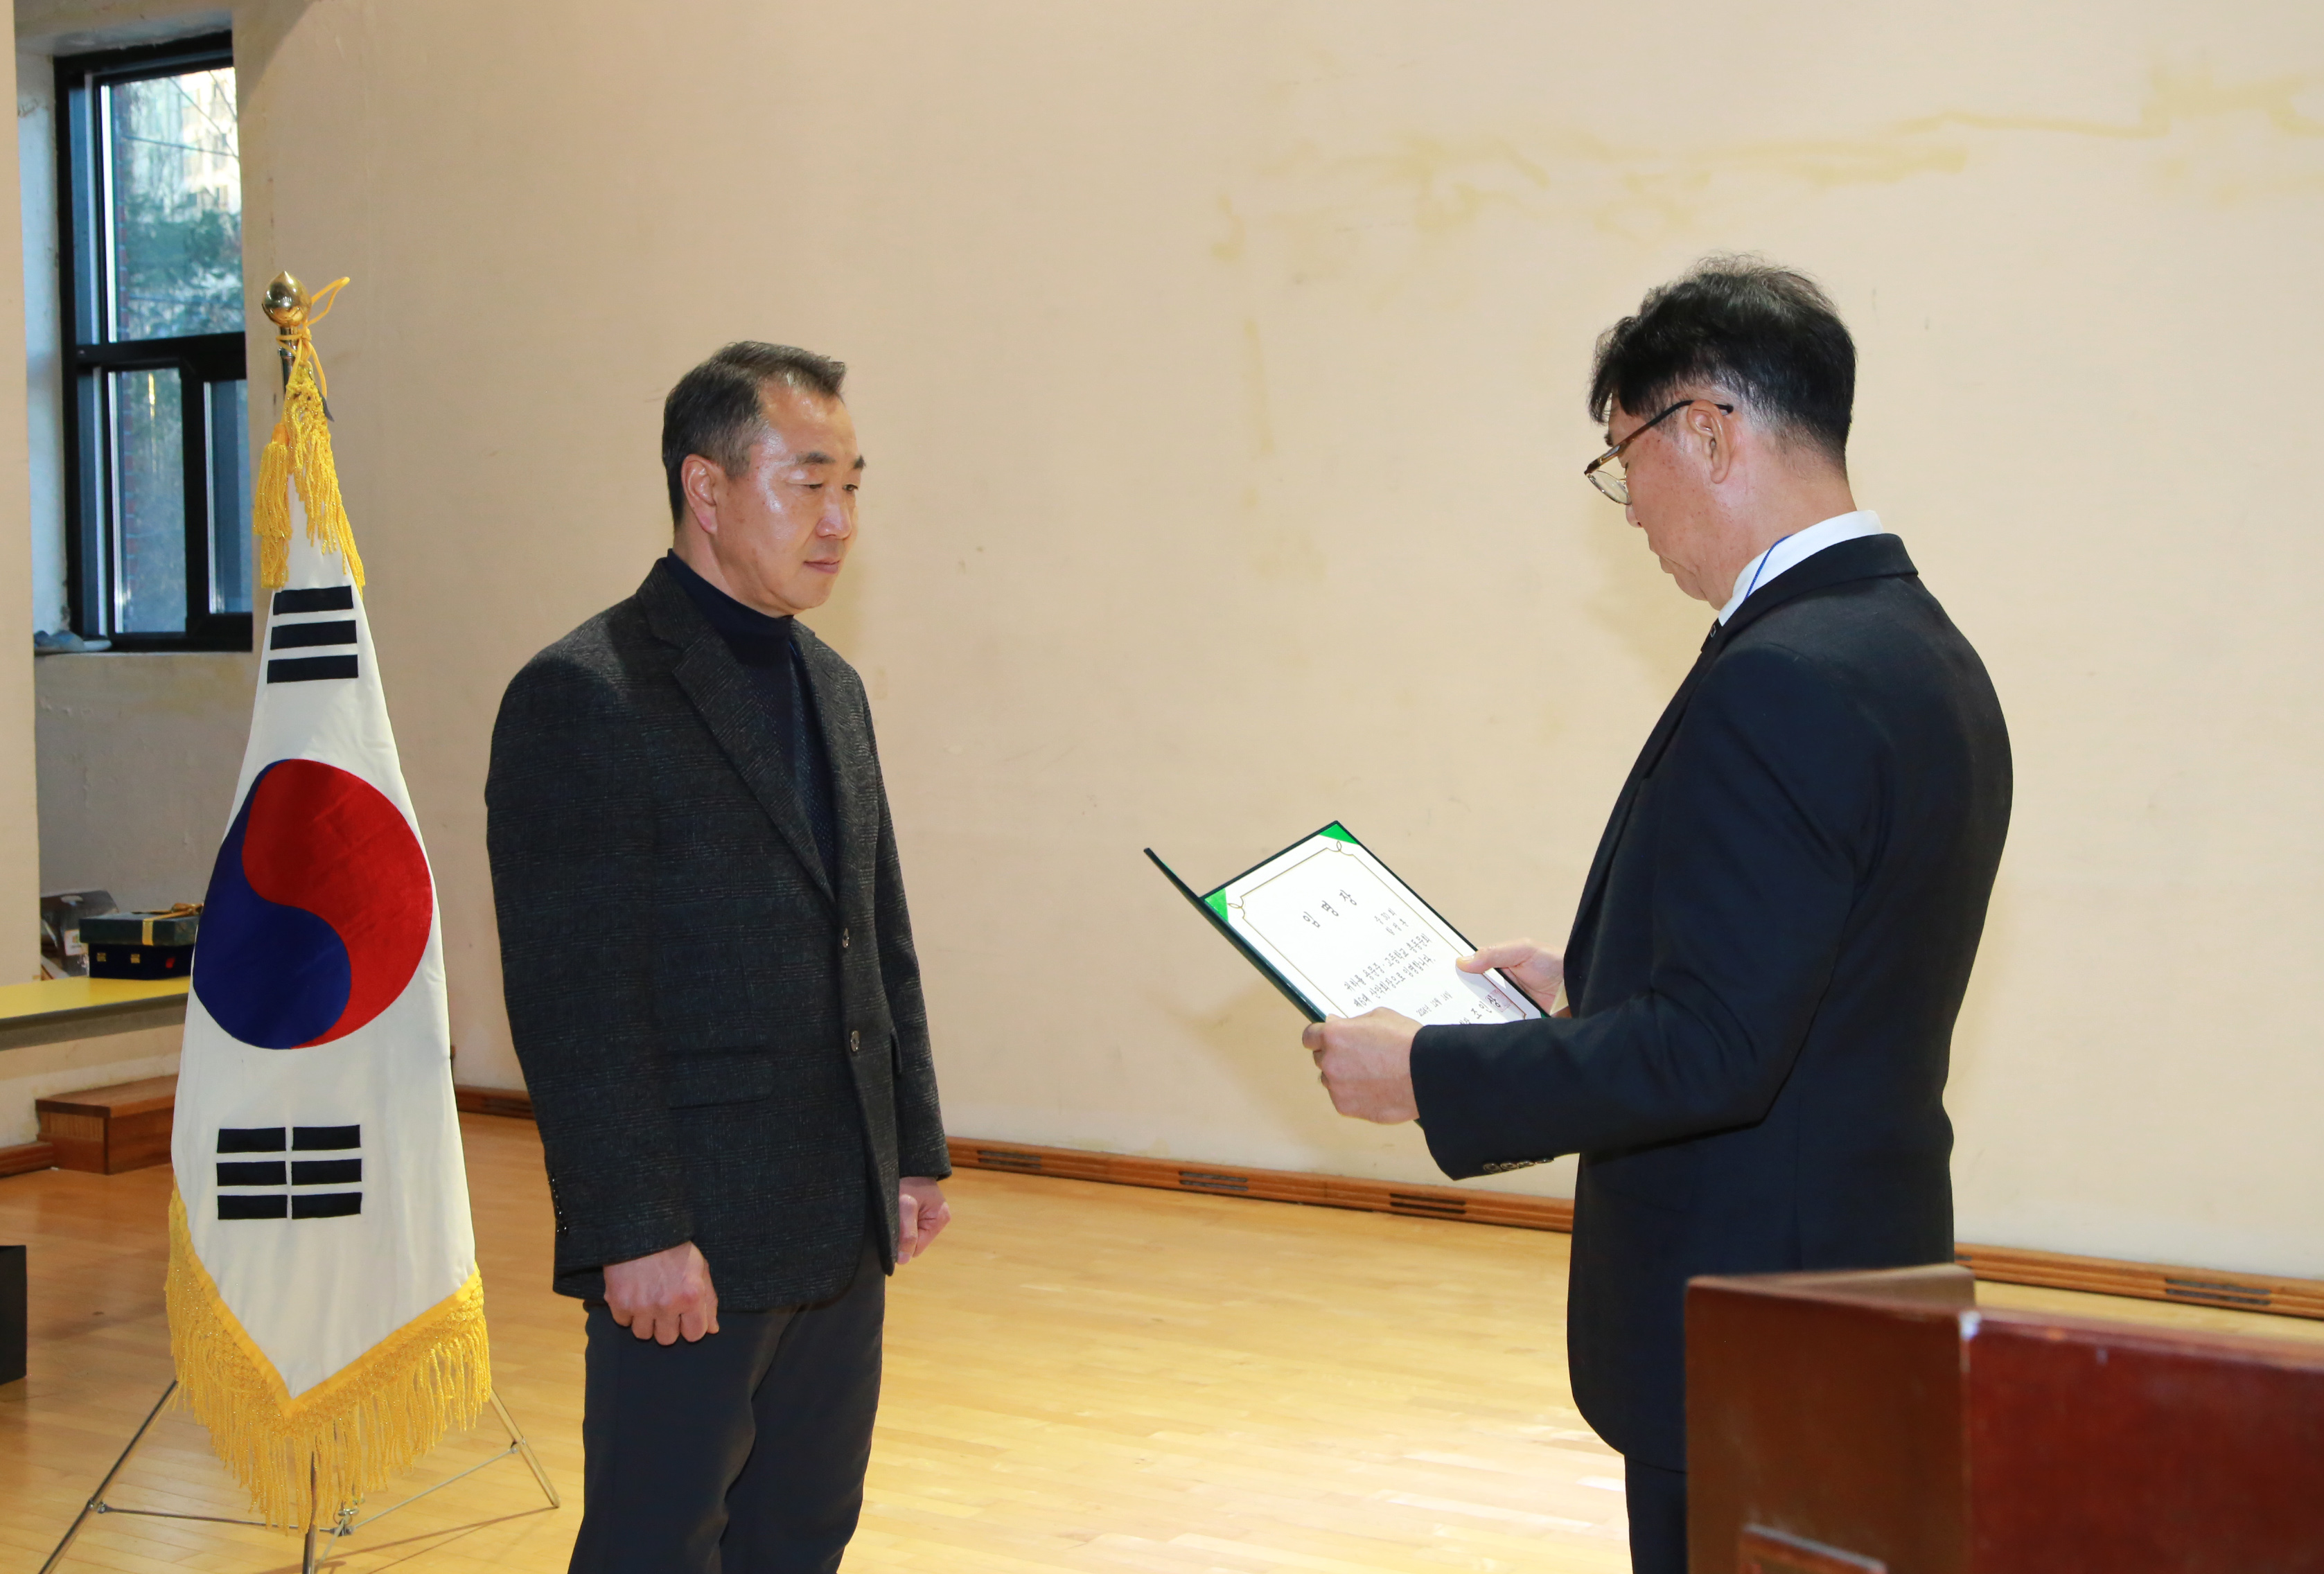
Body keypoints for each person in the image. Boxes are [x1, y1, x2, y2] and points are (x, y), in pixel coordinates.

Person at [1301, 260, 2010, 1573]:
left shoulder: (1783, 676)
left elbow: (1716, 1051)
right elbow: (1819, 970)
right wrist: (1597, 982)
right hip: (1853, 1276)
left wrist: (1427, 1074)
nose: (1627, 507)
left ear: (1706, 430)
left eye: (1623, 457)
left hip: (1750, 1313)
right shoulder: (1913, 644)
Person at [486, 342, 951, 1573]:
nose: (840, 521)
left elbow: (876, 931)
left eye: (852, 487)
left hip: (837, 1213)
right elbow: (574, 1002)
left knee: (802, 1530)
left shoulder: (829, 685)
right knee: (657, 1541)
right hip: (692, 1226)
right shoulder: (586, 693)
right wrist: (635, 1229)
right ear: (705, 487)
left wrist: (908, 1149)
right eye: (809, 484)